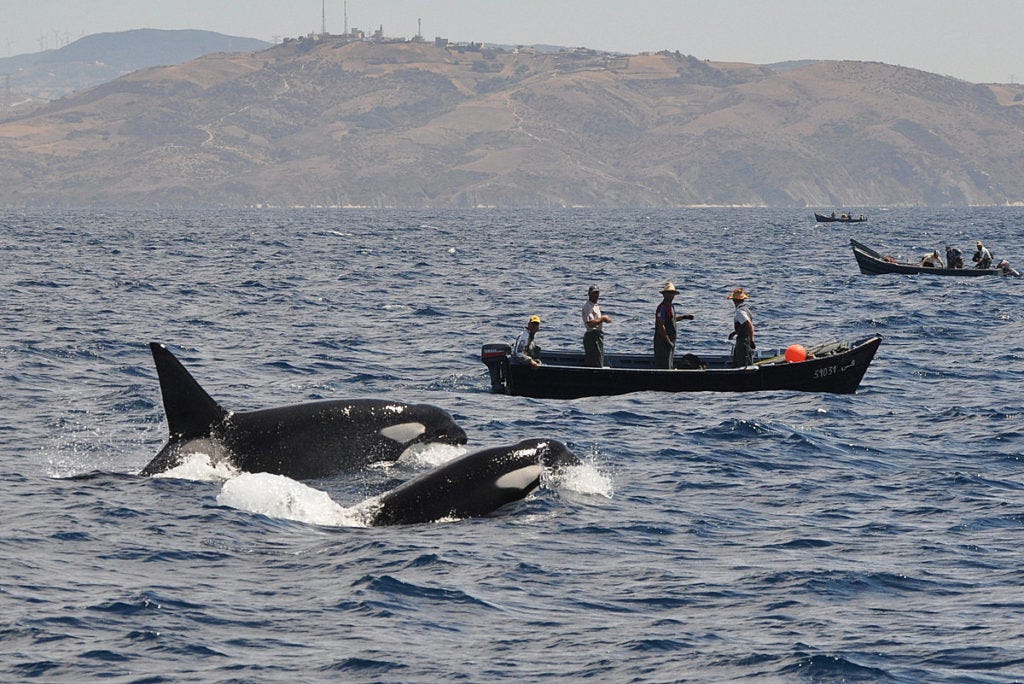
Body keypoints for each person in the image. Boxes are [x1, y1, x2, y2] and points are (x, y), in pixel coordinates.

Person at [653, 281, 694, 369]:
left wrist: (684, 317)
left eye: (672, 293)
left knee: (669, 362)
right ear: (664, 295)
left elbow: (672, 320)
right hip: (662, 341)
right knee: (663, 364)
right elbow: (661, 325)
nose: (670, 295)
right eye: (668, 293)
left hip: (670, 340)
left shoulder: (671, 307)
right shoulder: (662, 308)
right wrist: (667, 340)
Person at [582, 285, 612, 367]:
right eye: (593, 293)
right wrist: (602, 318)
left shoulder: (595, 306)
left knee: (599, 359)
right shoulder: (587, 307)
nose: (596, 295)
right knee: (594, 362)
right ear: (589, 294)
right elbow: (590, 324)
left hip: (598, 336)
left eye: (597, 293)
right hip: (592, 337)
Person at [727, 288, 755, 368]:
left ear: (734, 300)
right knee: (738, 364)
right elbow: (744, 326)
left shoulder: (740, 312)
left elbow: (749, 325)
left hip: (743, 342)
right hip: (743, 340)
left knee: (743, 365)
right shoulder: (746, 309)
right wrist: (735, 332)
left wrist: (752, 340)